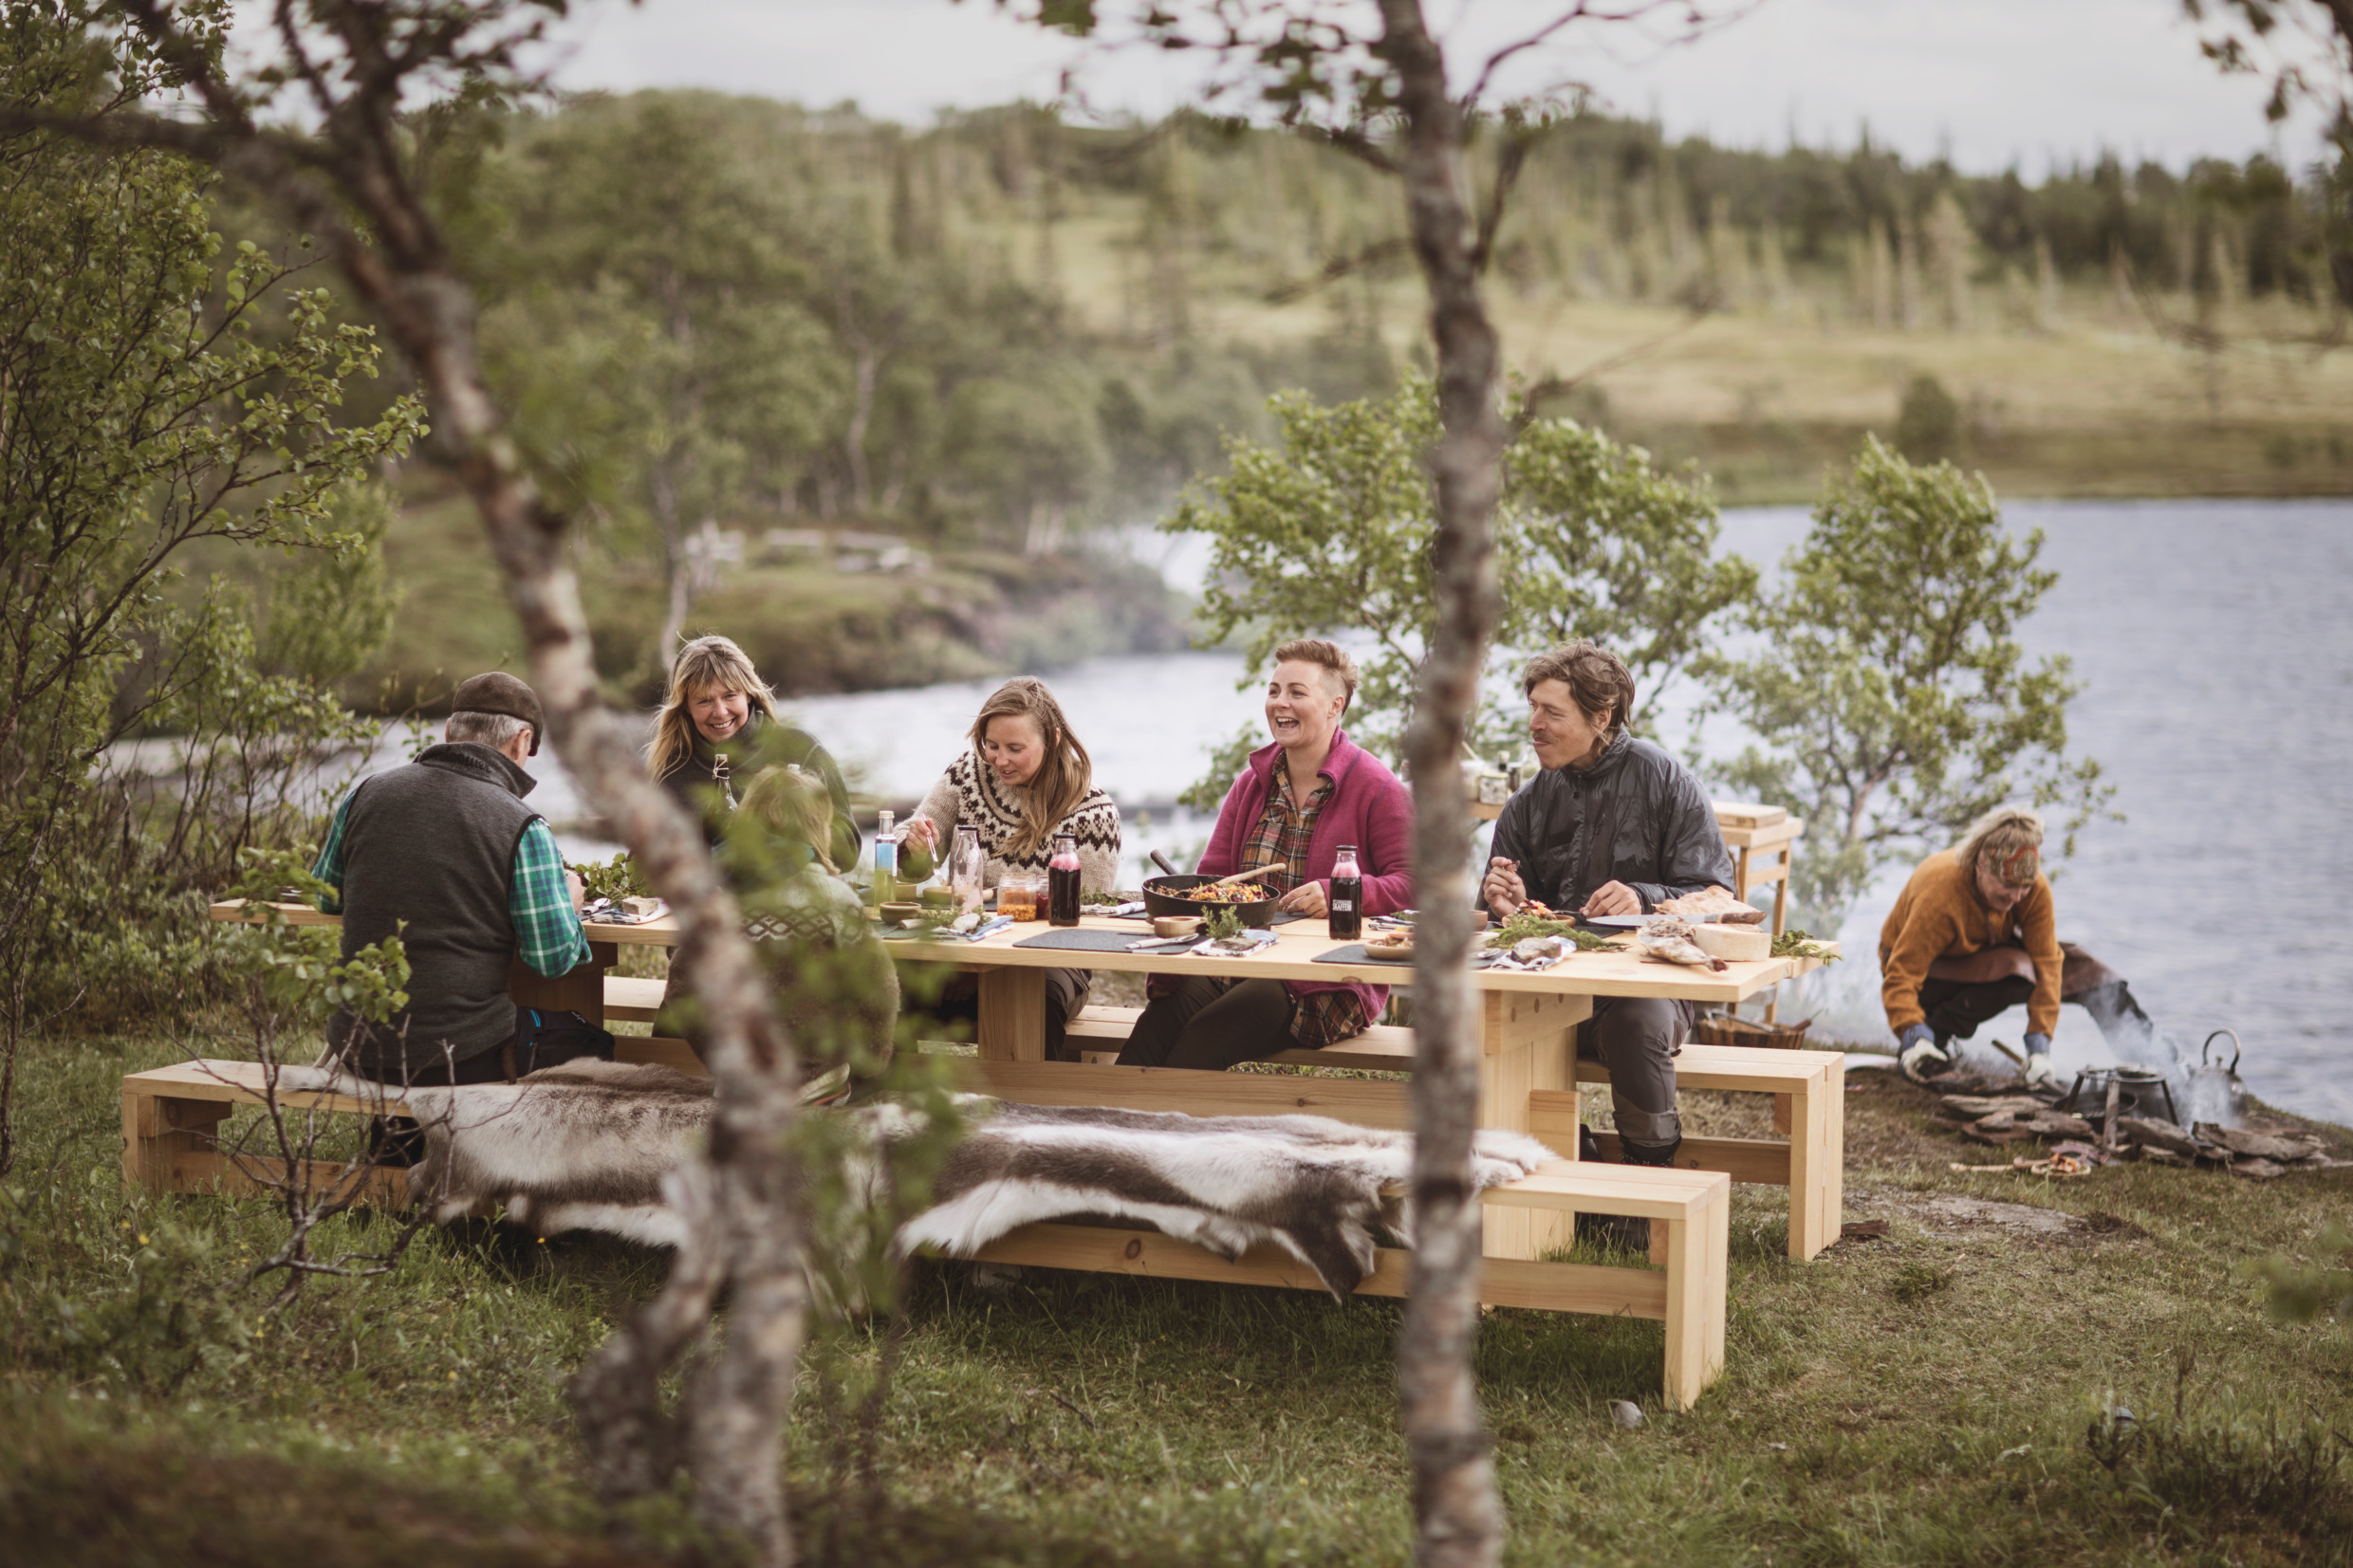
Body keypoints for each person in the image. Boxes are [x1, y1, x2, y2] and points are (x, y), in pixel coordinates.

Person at [1481, 641, 1734, 1177]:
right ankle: (1566, 1156)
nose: (1534, 724)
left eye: (1552, 712)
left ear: (1602, 717)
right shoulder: (1526, 803)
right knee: (1472, 1020)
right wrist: (1503, 906)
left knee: (1636, 1022)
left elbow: (1718, 895)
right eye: (1532, 707)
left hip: (1646, 991)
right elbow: (1501, 920)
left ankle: (1650, 1175)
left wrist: (1645, 897)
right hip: (1544, 991)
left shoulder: (1668, 781)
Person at [1115, 640, 1412, 1071]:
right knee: (1154, 1030)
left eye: (1296, 692)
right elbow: (1212, 882)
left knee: (1201, 1041)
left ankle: (1152, 1133)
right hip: (1237, 960)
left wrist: (1339, 893)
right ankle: (1109, 1135)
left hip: (1325, 981)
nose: (1279, 703)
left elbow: (1414, 883)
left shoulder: (1377, 788)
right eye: (1273, 691)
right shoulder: (1250, 785)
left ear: (1335, 706)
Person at [311, 672, 598, 1088]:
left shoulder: (366, 793)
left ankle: (394, 1143)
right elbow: (550, 960)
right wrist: (569, 897)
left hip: (358, 1046)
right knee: (590, 1042)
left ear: (449, 732)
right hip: (463, 1055)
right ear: (521, 741)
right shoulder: (522, 824)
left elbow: (327, 898)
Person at [898, 678, 1121, 1060]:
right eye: (992, 745)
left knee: (1036, 1001)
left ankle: (1038, 1111)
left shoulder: (1093, 811)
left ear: (1050, 739)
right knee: (889, 988)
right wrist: (914, 846)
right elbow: (915, 846)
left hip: (1052, 964)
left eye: (1015, 748)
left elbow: (1081, 918)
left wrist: (990, 938)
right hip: (964, 951)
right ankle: (886, 1104)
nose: (999, 760)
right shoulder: (967, 775)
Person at [1880, 804, 2154, 1087]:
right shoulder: (1939, 893)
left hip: (1982, 956)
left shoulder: (2032, 890)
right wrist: (1913, 1032)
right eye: (2008, 885)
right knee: (2016, 969)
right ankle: (1933, 1037)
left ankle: (2156, 1065)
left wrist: (2040, 1047)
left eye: (2025, 886)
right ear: (1981, 865)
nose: (2017, 896)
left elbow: (2048, 964)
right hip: (1927, 978)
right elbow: (1900, 976)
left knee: (2088, 972)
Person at [647, 634, 858, 870]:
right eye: (704, 701)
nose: (720, 712)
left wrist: (787, 832)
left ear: (748, 694)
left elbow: (849, 852)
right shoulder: (672, 772)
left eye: (730, 696)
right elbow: (646, 866)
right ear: (686, 706)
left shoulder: (800, 749)